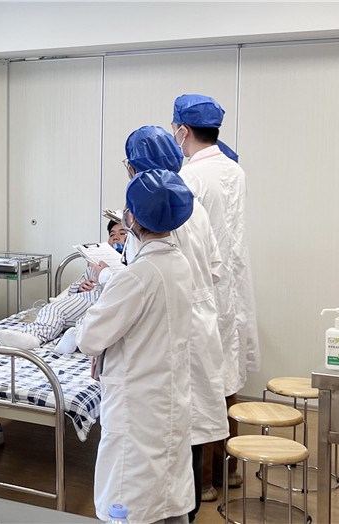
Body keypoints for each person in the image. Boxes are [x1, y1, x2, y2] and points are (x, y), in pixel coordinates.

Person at [76, 169, 196, 524]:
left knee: (130, 498)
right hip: (167, 398)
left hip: (137, 406)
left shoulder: (137, 276)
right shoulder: (179, 264)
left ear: (133, 219)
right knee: (167, 496)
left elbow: (88, 338)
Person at [125, 125, 229, 520]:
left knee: (171, 433)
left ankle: (175, 512)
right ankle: (187, 510)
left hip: (169, 332)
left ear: (137, 167)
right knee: (190, 429)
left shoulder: (151, 209)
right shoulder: (192, 207)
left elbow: (138, 279)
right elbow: (215, 269)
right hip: (198, 323)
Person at [171, 94, 260, 490]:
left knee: (201, 384)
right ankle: (230, 471)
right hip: (232, 291)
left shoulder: (189, 177)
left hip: (202, 288)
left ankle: (203, 481)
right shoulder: (234, 170)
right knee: (227, 381)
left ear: (183, 130)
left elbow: (183, 238)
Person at [0, 220, 127, 351]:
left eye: (122, 233)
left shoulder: (132, 266)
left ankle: (75, 338)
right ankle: (32, 338)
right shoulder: (97, 263)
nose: (115, 237)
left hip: (107, 302)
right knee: (52, 309)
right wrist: (80, 287)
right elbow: (74, 287)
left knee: (91, 318)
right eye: (112, 234)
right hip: (85, 299)